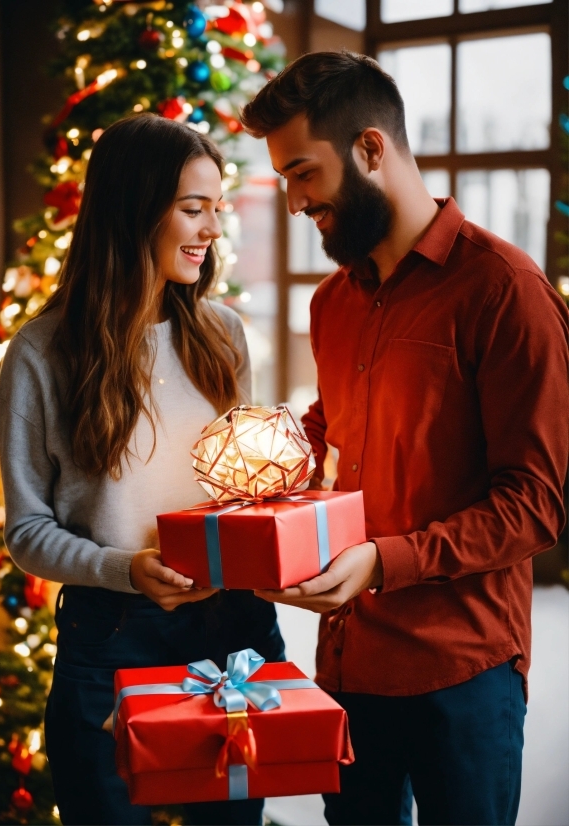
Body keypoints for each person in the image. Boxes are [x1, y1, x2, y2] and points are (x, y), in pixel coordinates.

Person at [242, 51, 569, 826]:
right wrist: (259, 483)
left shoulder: (506, 292)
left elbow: (536, 507)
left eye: (302, 173)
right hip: (348, 667)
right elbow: (334, 430)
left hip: (462, 675)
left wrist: (386, 562)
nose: (293, 202)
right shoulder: (331, 303)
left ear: (369, 150)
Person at [0, 113, 284, 826]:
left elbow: (242, 491)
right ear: (132, 209)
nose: (213, 228)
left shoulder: (223, 335)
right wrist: (125, 568)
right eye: (193, 208)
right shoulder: (41, 353)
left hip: (232, 628)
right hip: (111, 635)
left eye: (216, 208)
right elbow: (27, 529)